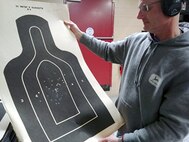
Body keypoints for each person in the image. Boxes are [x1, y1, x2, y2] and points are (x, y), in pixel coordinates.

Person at [64, 0, 189, 141]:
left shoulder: (184, 62)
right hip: (123, 131)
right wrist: (80, 35)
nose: (139, 16)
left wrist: (124, 141)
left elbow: (171, 129)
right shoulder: (137, 41)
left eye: (146, 8)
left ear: (172, 8)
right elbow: (107, 50)